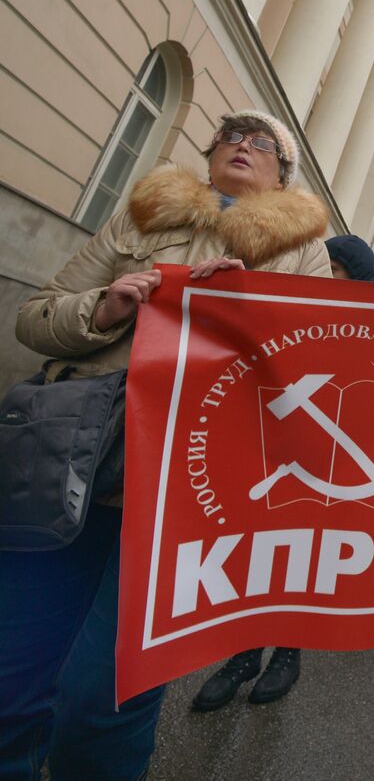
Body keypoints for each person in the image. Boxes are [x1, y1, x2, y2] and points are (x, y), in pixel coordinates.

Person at [1, 110, 330, 779]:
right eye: (231, 134)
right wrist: (102, 310)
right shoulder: (143, 216)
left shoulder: (302, 253)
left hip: (178, 498)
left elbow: (308, 380)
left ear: (283, 174)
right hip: (67, 470)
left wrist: (247, 313)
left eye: (261, 141)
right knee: (16, 675)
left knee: (105, 696)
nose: (243, 144)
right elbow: (35, 317)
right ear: (209, 154)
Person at [189, 234, 374, 714]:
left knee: (304, 560)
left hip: (326, 468)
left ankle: (287, 654)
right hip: (271, 454)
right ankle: (244, 655)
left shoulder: (372, 327)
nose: (326, 272)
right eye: (326, 262)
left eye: (336, 267)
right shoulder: (287, 308)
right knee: (258, 556)